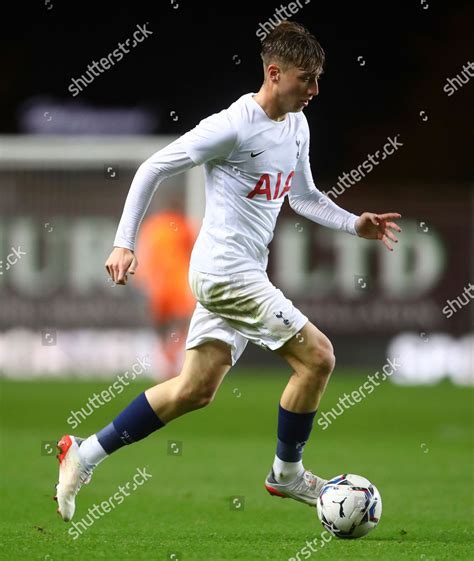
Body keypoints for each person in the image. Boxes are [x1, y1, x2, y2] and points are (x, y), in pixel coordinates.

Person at [54, 21, 401, 522]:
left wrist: (354, 223)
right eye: (307, 78)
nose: (315, 90)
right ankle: (286, 474)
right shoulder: (232, 126)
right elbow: (152, 167)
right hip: (226, 274)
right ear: (275, 73)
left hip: (239, 274)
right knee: (319, 357)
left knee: (194, 389)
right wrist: (123, 242)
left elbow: (301, 196)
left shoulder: (297, 125)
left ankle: (82, 454)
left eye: (319, 78)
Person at [134, 200, 197, 379]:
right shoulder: (172, 225)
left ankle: (170, 355)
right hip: (171, 282)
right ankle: (169, 355)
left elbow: (144, 253)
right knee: (174, 320)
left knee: (176, 320)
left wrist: (142, 278)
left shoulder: (159, 225)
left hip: (167, 282)